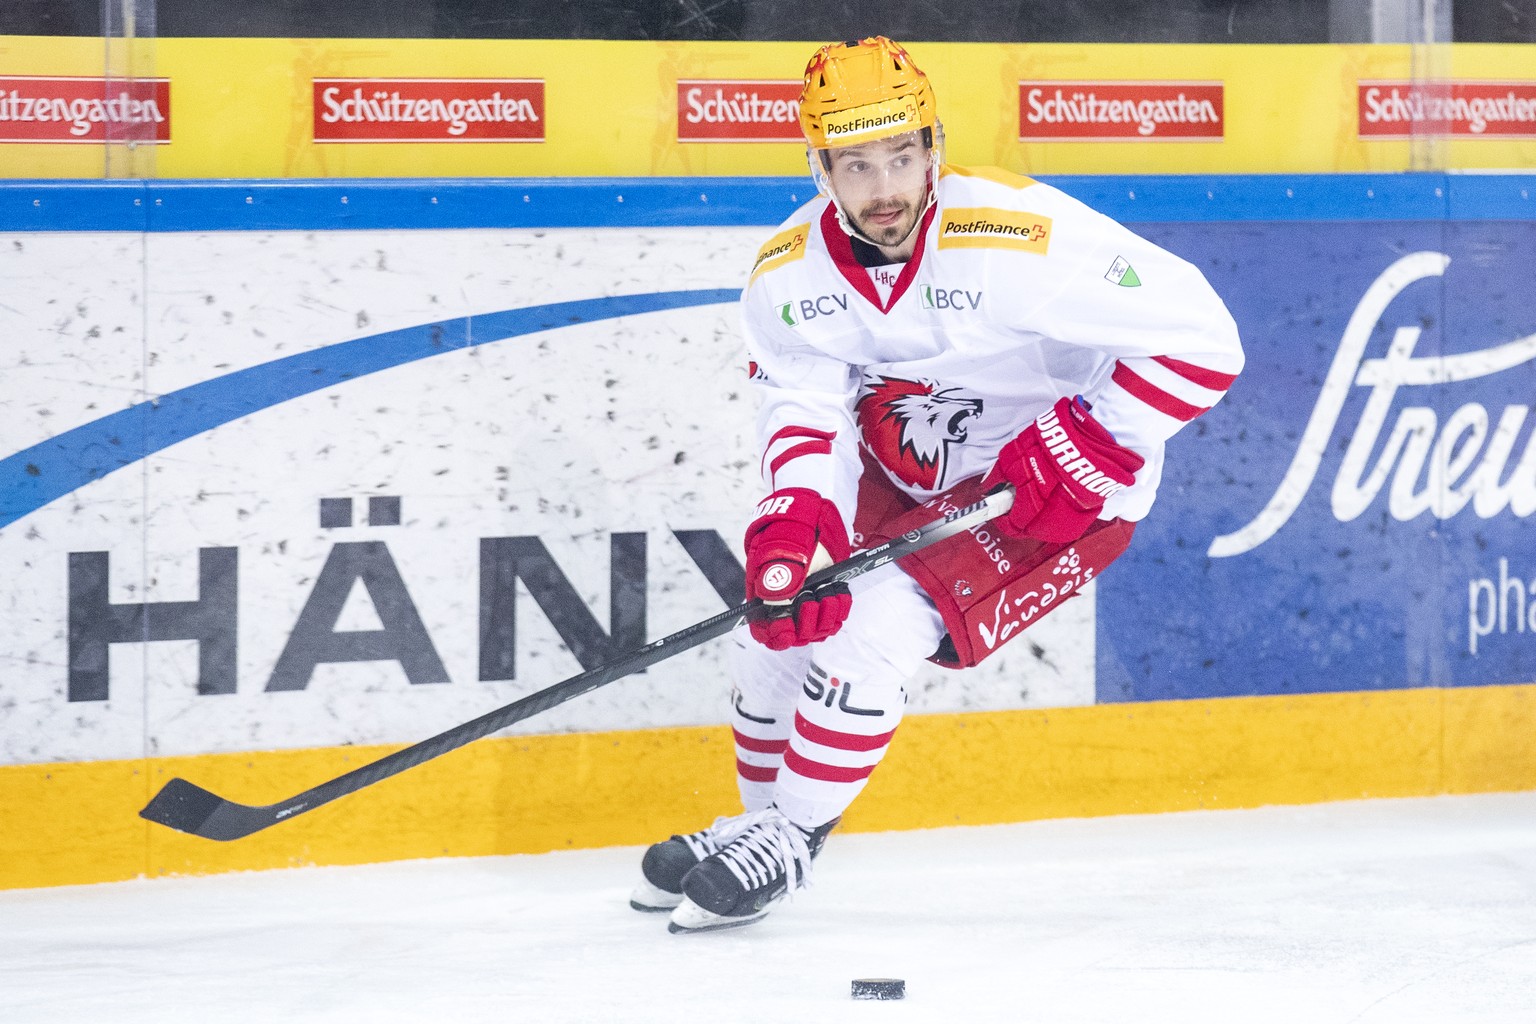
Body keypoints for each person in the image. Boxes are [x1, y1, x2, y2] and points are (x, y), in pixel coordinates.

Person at [631, 36, 1244, 934]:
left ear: (934, 148)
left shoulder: (1021, 239)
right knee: (776, 632)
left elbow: (1205, 338)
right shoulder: (785, 276)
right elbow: (805, 408)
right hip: (906, 478)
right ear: (820, 168)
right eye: (856, 164)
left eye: (902, 156)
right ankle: (755, 826)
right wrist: (798, 515)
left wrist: (1088, 440)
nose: (884, 188)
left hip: (1052, 495)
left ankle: (793, 836)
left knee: (871, 633)